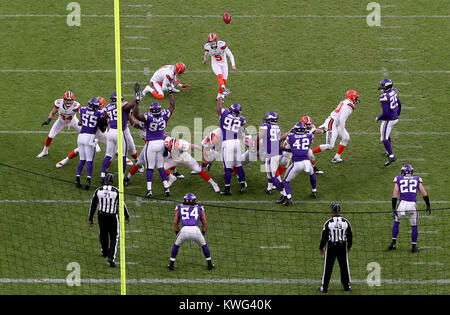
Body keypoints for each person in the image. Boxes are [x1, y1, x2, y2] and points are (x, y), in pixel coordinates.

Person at [132, 83, 175, 197]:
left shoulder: (148, 117)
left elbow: (136, 114)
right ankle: (166, 188)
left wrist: (136, 100)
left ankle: (149, 190)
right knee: (160, 167)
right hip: (161, 143)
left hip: (151, 144)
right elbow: (172, 106)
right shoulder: (164, 115)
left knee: (150, 167)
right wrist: (170, 92)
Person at [88, 173, 130, 268]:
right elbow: (122, 205)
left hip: (101, 215)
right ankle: (111, 257)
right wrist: (127, 215)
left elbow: (93, 205)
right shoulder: (116, 191)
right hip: (112, 216)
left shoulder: (98, 190)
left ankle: (104, 251)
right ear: (112, 181)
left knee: (103, 233)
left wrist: (90, 218)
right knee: (114, 236)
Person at [388, 164, 431, 253]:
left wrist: (393, 208)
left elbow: (395, 194)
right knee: (414, 225)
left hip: (402, 204)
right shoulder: (417, 179)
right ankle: (413, 246)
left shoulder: (398, 179)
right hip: (412, 205)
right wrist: (428, 205)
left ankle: (393, 243)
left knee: (397, 221)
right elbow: (424, 193)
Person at [167, 192, 214, 271]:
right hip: (195, 229)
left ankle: (171, 265)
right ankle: (210, 264)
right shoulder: (199, 207)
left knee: (176, 245)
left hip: (184, 230)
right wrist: (203, 233)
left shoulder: (179, 207)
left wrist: (177, 233)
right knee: (204, 245)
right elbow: (205, 222)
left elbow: (175, 223)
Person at [99, 92, 137, 184]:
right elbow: (131, 105)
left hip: (110, 131)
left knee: (108, 155)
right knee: (123, 156)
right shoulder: (121, 105)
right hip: (119, 132)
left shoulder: (107, 107)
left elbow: (104, 118)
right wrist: (136, 97)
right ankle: (122, 177)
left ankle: (102, 175)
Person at [312, 90, 360, 163]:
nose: (357, 99)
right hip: (332, 123)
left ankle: (336, 158)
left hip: (336, 123)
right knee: (330, 146)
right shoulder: (349, 106)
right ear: (352, 98)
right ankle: (308, 153)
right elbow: (342, 120)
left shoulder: (346, 102)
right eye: (356, 97)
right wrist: (343, 130)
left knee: (346, 138)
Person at [278, 122, 317, 205]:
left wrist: (283, 149)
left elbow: (289, 149)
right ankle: (314, 191)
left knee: (286, 180)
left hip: (297, 163)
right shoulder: (309, 136)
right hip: (307, 161)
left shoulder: (291, 136)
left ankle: (289, 198)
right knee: (312, 173)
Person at [318, 202, 353, 293]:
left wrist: (321, 248)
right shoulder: (346, 222)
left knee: (328, 267)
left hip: (331, 247)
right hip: (342, 247)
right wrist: (349, 246)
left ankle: (324, 287)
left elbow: (324, 237)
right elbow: (350, 235)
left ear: (332, 211)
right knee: (344, 266)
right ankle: (346, 287)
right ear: (339, 210)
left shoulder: (328, 223)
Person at [37, 91, 83, 158]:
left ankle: (95, 144)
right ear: (63, 100)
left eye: (70, 100)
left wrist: (81, 121)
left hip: (73, 121)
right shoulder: (59, 103)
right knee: (50, 136)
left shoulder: (76, 106)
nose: (68, 102)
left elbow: (82, 114)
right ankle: (45, 151)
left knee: (85, 132)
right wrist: (48, 120)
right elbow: (53, 113)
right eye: (67, 100)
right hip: (61, 121)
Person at [216, 95, 247, 195]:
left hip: (227, 143)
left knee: (228, 167)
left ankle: (227, 189)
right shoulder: (241, 119)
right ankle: (243, 185)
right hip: (236, 142)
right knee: (238, 165)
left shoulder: (225, 113)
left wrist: (220, 97)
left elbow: (218, 109)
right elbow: (240, 133)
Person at [75, 97, 107, 190]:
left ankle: (77, 179)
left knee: (82, 160)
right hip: (90, 137)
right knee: (89, 161)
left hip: (81, 136)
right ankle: (88, 181)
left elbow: (80, 121)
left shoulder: (83, 109)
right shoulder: (99, 113)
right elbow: (103, 125)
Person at [375, 79, 402, 167]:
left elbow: (385, 113)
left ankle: (391, 156)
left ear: (387, 87)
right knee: (387, 133)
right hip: (395, 117)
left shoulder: (384, 97)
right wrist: (398, 113)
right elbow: (399, 103)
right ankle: (388, 151)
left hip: (389, 119)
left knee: (383, 138)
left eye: (383, 86)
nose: (381, 87)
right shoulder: (393, 91)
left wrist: (378, 118)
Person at [203, 33, 236, 98]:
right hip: (215, 63)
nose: (212, 43)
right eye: (210, 41)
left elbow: (230, 54)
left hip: (224, 63)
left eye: (213, 41)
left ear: (216, 40)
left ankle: (219, 96)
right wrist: (205, 60)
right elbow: (206, 54)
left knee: (224, 80)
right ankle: (223, 88)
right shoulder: (207, 47)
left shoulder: (222, 44)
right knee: (219, 75)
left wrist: (233, 65)